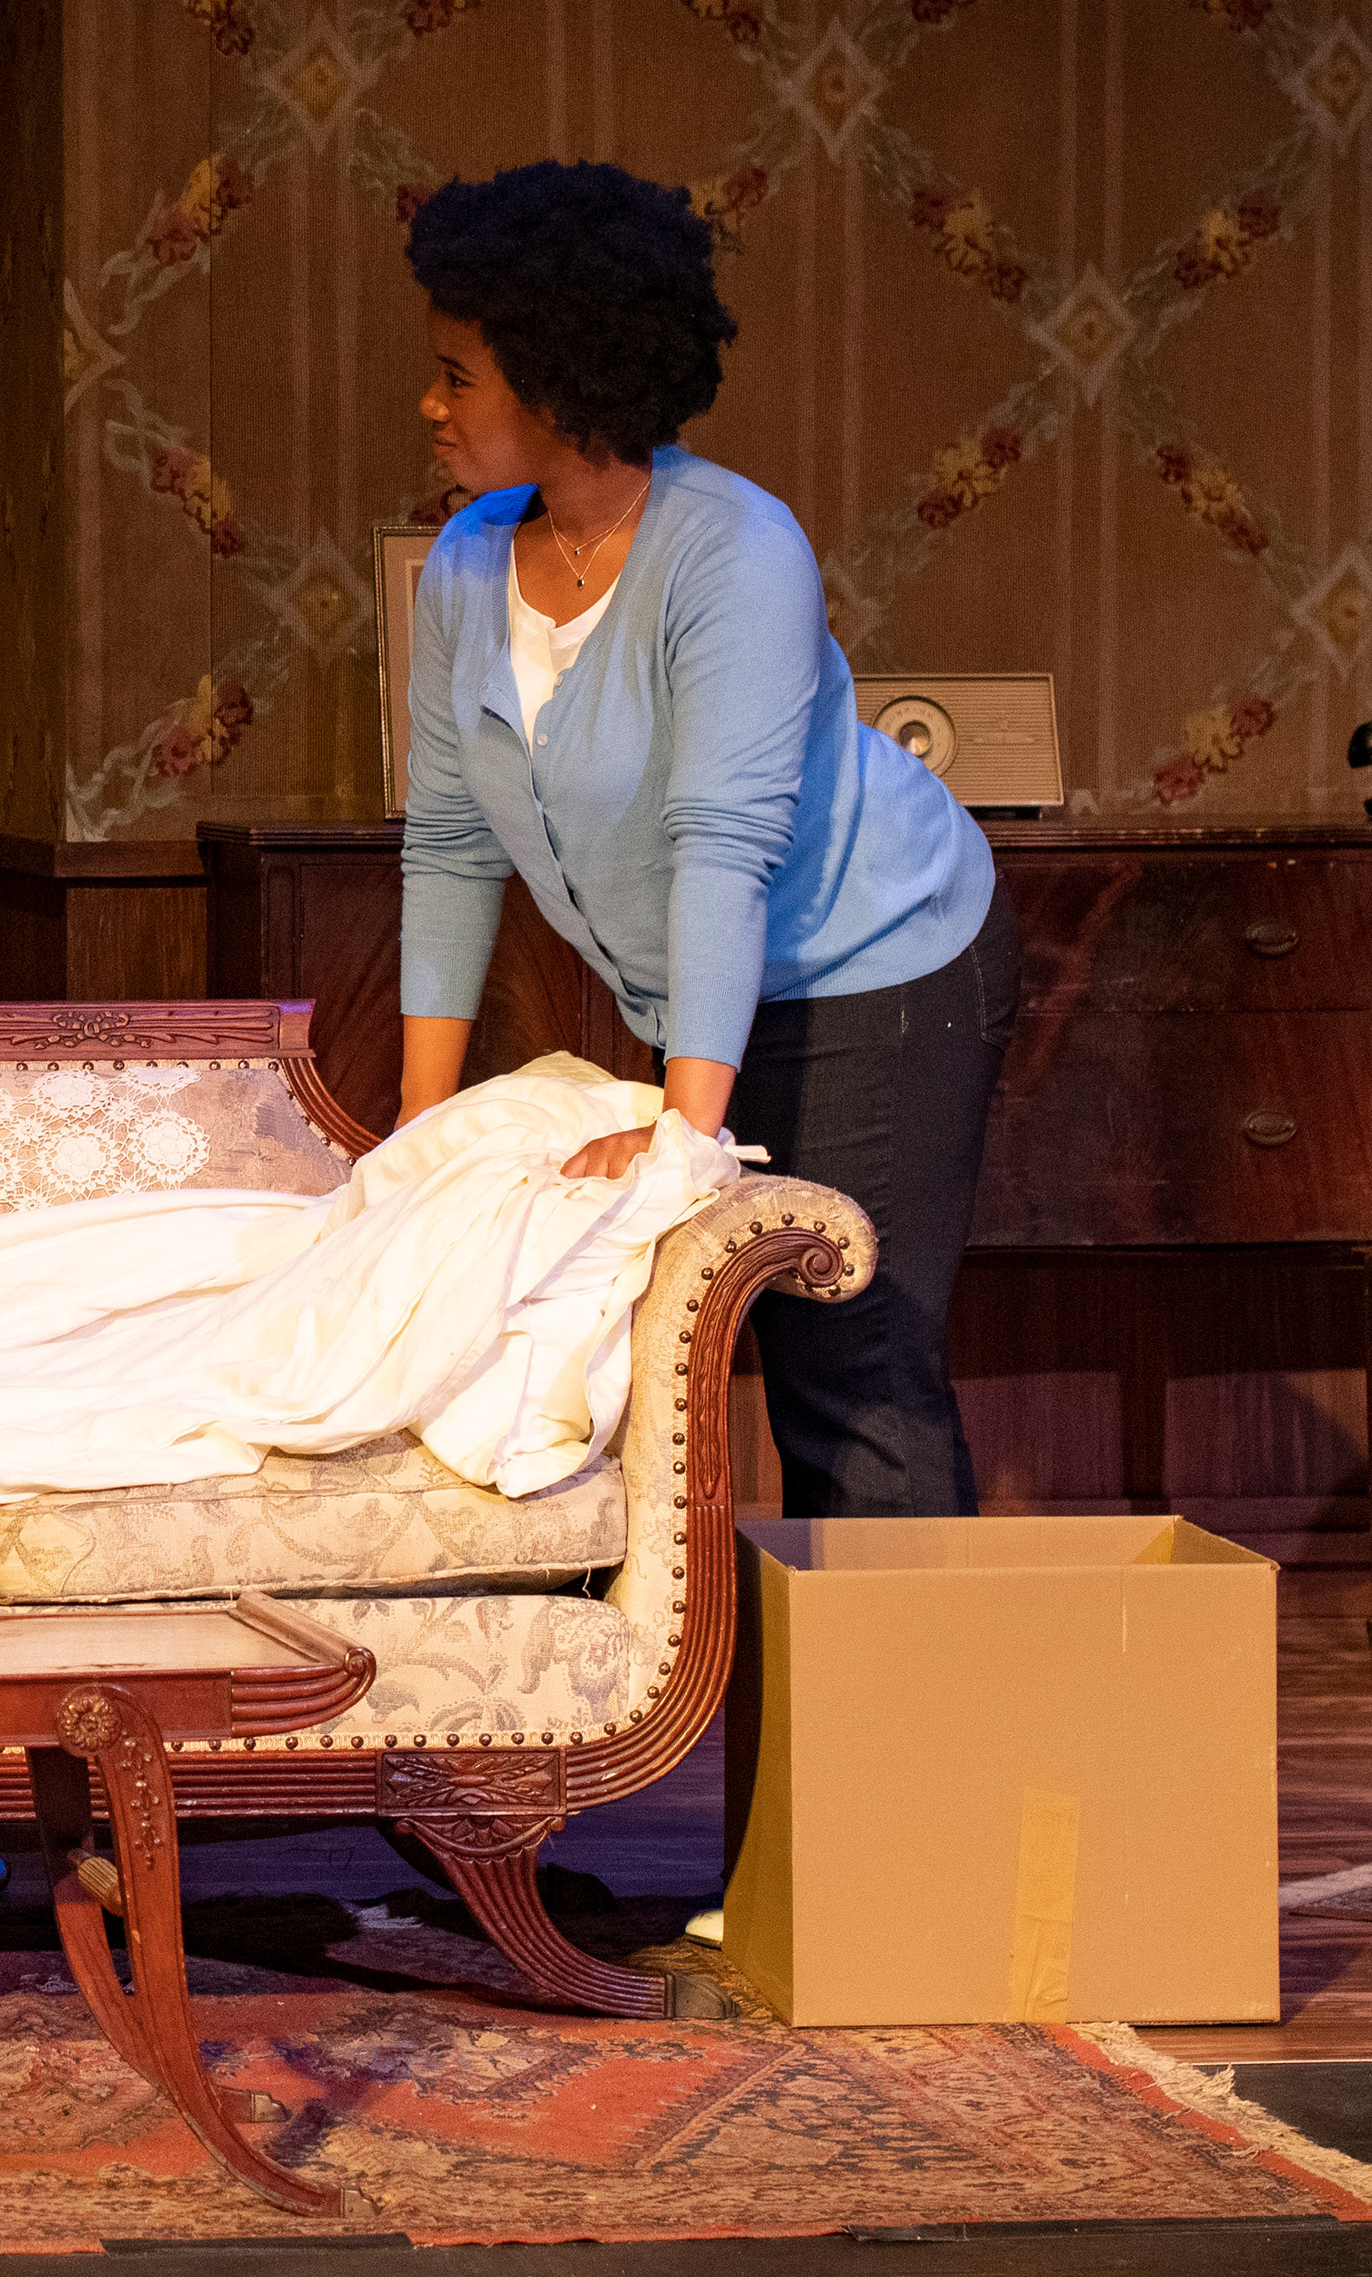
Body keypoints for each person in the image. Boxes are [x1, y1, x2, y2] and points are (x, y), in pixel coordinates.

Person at [396, 158, 1016, 1522]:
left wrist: (684, 1141)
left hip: (879, 969)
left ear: (558, 383)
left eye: (457, 376)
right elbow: (448, 847)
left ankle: (911, 1667)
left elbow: (720, 852)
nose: (430, 405)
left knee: (850, 1362)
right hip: (717, 991)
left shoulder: (733, 552)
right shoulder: (465, 563)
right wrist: (417, 1137)